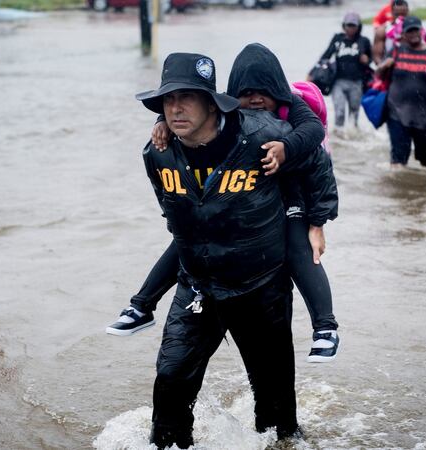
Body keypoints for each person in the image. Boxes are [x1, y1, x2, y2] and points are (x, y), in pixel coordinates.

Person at [109, 44, 341, 363]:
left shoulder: (293, 111)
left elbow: (318, 161)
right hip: (251, 197)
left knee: (300, 249)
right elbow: (195, 119)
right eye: (246, 93)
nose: (256, 99)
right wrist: (163, 123)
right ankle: (141, 306)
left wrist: (318, 222)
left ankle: (325, 329)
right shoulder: (232, 120)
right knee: (188, 240)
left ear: (278, 90)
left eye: (264, 92)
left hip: (295, 187)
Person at [135, 52, 310, 448]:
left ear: (212, 103)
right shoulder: (156, 153)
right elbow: (175, 221)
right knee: (171, 380)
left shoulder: (264, 134)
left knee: (276, 411)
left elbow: (314, 152)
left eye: (187, 97)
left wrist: (315, 222)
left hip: (261, 284)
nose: (175, 108)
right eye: (167, 100)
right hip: (199, 285)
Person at [378, 16, 426, 167]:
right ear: (403, 34)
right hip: (397, 114)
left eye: (415, 30)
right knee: (398, 162)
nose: (413, 34)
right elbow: (378, 75)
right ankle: (400, 190)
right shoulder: (396, 51)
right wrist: (384, 65)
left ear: (421, 30)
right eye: (409, 31)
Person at [319, 12, 372, 129]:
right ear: (344, 26)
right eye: (349, 25)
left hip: (357, 82)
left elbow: (371, 59)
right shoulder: (338, 39)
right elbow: (325, 56)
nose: (351, 28)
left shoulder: (364, 41)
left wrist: (367, 60)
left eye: (354, 26)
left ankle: (352, 137)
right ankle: (338, 137)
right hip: (338, 82)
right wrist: (314, 74)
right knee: (340, 111)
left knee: (354, 112)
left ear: (359, 27)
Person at [372, 0, 426, 64]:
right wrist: (385, 67)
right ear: (392, 12)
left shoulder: (417, 29)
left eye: (403, 14)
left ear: (408, 12)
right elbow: (377, 57)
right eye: (397, 15)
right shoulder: (382, 31)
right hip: (392, 67)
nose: (400, 17)